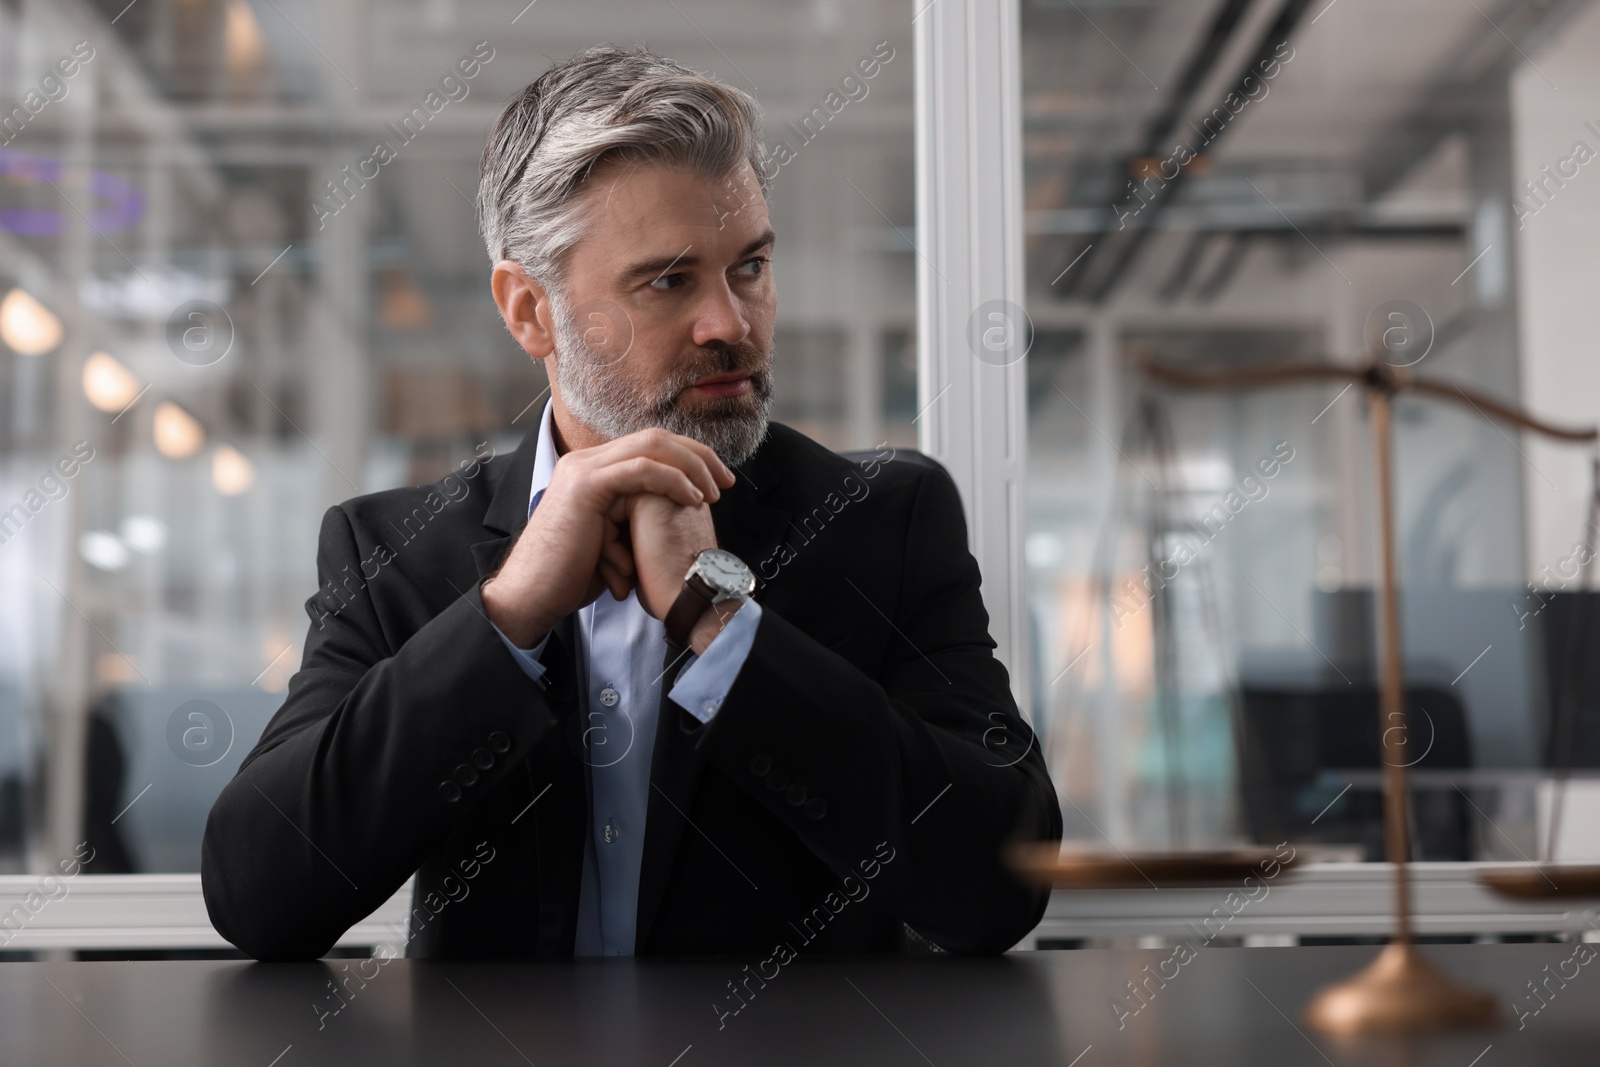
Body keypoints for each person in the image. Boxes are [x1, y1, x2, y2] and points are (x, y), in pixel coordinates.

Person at [201, 46, 1060, 962]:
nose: (730, 323)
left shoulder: (883, 520)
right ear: (531, 310)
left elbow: (1003, 878)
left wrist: (721, 627)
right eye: (669, 280)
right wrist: (505, 614)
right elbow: (259, 892)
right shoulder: (396, 552)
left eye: (752, 268)